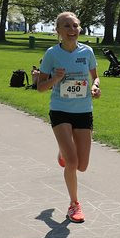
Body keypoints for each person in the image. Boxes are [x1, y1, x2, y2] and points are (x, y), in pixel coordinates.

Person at [37, 11, 100, 224]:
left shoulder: (88, 51)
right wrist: (56, 78)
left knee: (82, 166)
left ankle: (63, 151)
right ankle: (74, 205)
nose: (72, 30)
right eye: (67, 26)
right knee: (72, 162)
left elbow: (95, 78)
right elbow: (40, 87)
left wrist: (95, 87)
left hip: (83, 111)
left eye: (75, 26)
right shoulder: (52, 54)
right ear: (58, 31)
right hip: (60, 110)